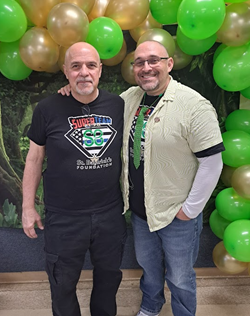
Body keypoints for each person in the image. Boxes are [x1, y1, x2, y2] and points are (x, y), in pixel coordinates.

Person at [58, 40, 224, 316]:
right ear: (134, 68)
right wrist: (69, 89)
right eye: (139, 62)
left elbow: (212, 162)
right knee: (147, 266)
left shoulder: (194, 105)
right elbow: (92, 100)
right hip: (139, 211)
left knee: (181, 276)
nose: (146, 67)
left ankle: (184, 312)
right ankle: (151, 305)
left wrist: (189, 210)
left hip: (177, 212)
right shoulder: (128, 100)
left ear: (169, 64)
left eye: (154, 60)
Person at [22, 42, 127, 316]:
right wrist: (27, 206)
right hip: (64, 217)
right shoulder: (47, 109)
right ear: (66, 71)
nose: (84, 73)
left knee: (108, 281)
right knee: (62, 285)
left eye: (91, 65)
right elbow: (33, 159)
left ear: (100, 70)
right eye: (76, 66)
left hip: (109, 214)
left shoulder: (118, 105)